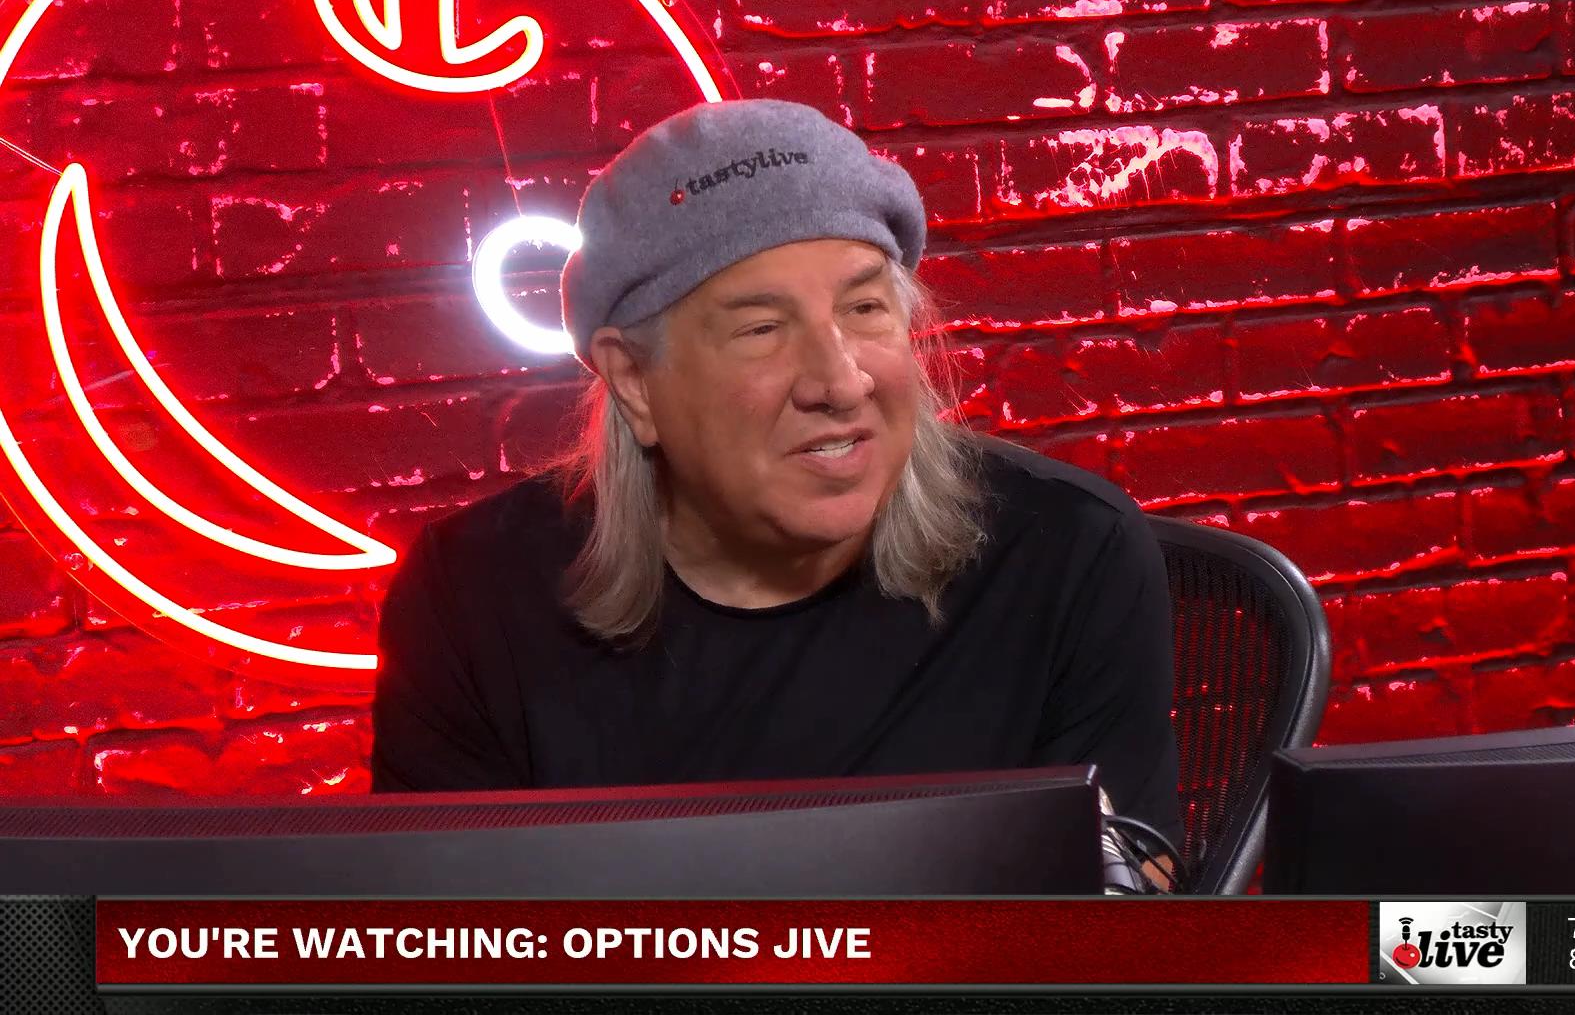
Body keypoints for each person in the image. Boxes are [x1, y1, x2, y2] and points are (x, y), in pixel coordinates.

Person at [369, 98, 1184, 866]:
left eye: (866, 311)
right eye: (762, 329)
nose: (840, 381)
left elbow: (1123, 909)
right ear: (636, 382)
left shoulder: (1070, 554)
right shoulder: (469, 597)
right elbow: (436, 931)